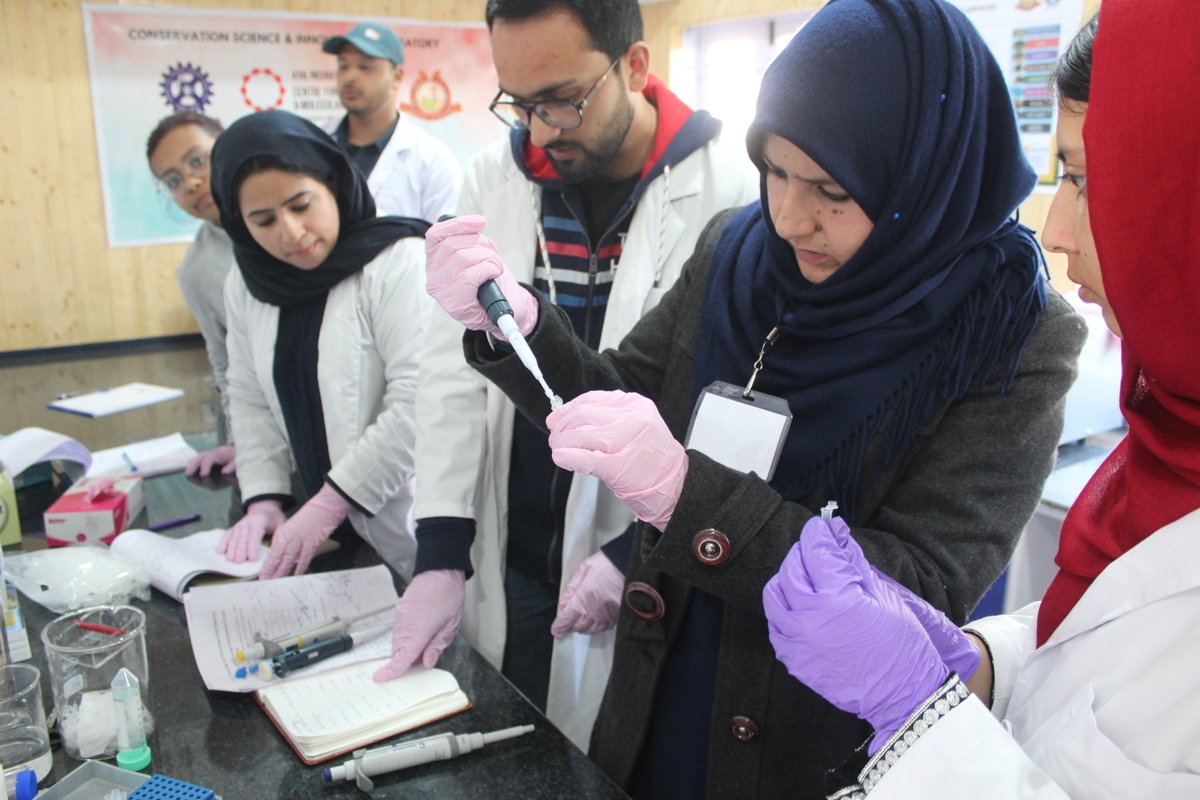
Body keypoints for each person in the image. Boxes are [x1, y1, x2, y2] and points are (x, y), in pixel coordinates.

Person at [418, 0, 1088, 795]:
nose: (790, 216)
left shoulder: (1011, 330)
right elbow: (623, 394)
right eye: (774, 170)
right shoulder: (738, 251)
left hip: (807, 745)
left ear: (921, 174)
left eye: (831, 189)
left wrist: (684, 495)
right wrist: (518, 327)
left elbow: (918, 585)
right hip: (657, 687)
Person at [763, 4, 1200, 797]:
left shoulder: (1014, 331)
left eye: (1086, 178)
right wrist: (984, 661)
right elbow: (1094, 647)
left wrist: (920, 709)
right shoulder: (1173, 426)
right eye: (775, 172)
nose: (1057, 228)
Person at [384, 0, 757, 747]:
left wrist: (633, 552)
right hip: (516, 545)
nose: (540, 129)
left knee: (617, 755)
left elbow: (736, 402)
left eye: (563, 99)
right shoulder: (493, 179)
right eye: (518, 103)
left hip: (645, 557)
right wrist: (441, 553)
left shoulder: (731, 188)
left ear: (637, 67)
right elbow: (452, 373)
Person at [208, 109, 430, 581]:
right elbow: (248, 397)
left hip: (415, 518)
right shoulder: (247, 283)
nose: (290, 233)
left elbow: (420, 400)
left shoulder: (398, 263)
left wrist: (333, 501)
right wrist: (265, 497)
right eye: (263, 220)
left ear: (332, 181)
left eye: (301, 204)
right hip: (329, 527)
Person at [146, 111, 237, 477]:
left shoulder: (303, 226)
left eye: (197, 161)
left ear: (229, 146)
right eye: (173, 180)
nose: (191, 183)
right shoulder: (197, 271)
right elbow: (224, 361)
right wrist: (238, 442)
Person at [322, 21, 462, 221]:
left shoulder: (433, 162)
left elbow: (443, 244)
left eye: (365, 66)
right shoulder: (314, 142)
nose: (350, 76)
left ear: (396, 77)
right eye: (343, 66)